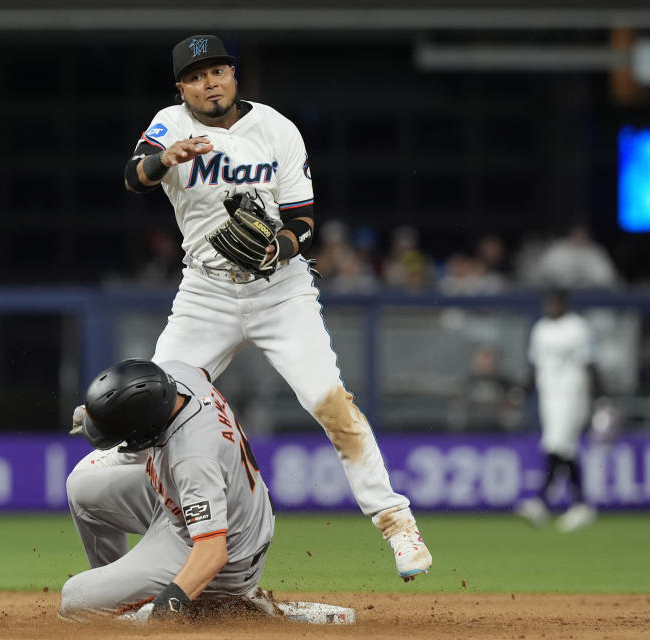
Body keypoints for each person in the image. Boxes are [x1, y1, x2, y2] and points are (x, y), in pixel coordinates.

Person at [68, 34, 431, 581]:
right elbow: (132, 175)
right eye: (195, 76)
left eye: (217, 71)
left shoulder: (276, 128)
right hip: (206, 292)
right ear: (181, 88)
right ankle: (116, 449)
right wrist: (165, 158)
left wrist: (278, 246)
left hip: (279, 290)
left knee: (329, 402)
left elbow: (303, 220)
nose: (208, 82)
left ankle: (395, 521)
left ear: (235, 75)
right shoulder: (170, 123)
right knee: (150, 408)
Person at [60, 359, 274, 620]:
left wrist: (171, 601)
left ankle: (220, 609)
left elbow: (212, 551)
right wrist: (101, 413)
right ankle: (122, 593)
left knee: (76, 600)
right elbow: (141, 390)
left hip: (224, 558)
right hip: (188, 505)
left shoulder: (192, 458)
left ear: (147, 427)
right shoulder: (175, 374)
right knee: (81, 487)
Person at [516, 290, 603, 532]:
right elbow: (535, 365)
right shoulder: (541, 328)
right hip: (549, 396)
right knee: (565, 449)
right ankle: (580, 505)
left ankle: (542, 501)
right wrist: (522, 390)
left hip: (573, 394)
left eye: (555, 303)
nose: (550, 307)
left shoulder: (577, 327)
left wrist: (601, 397)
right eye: (548, 303)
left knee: (556, 445)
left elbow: (590, 363)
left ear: (565, 304)